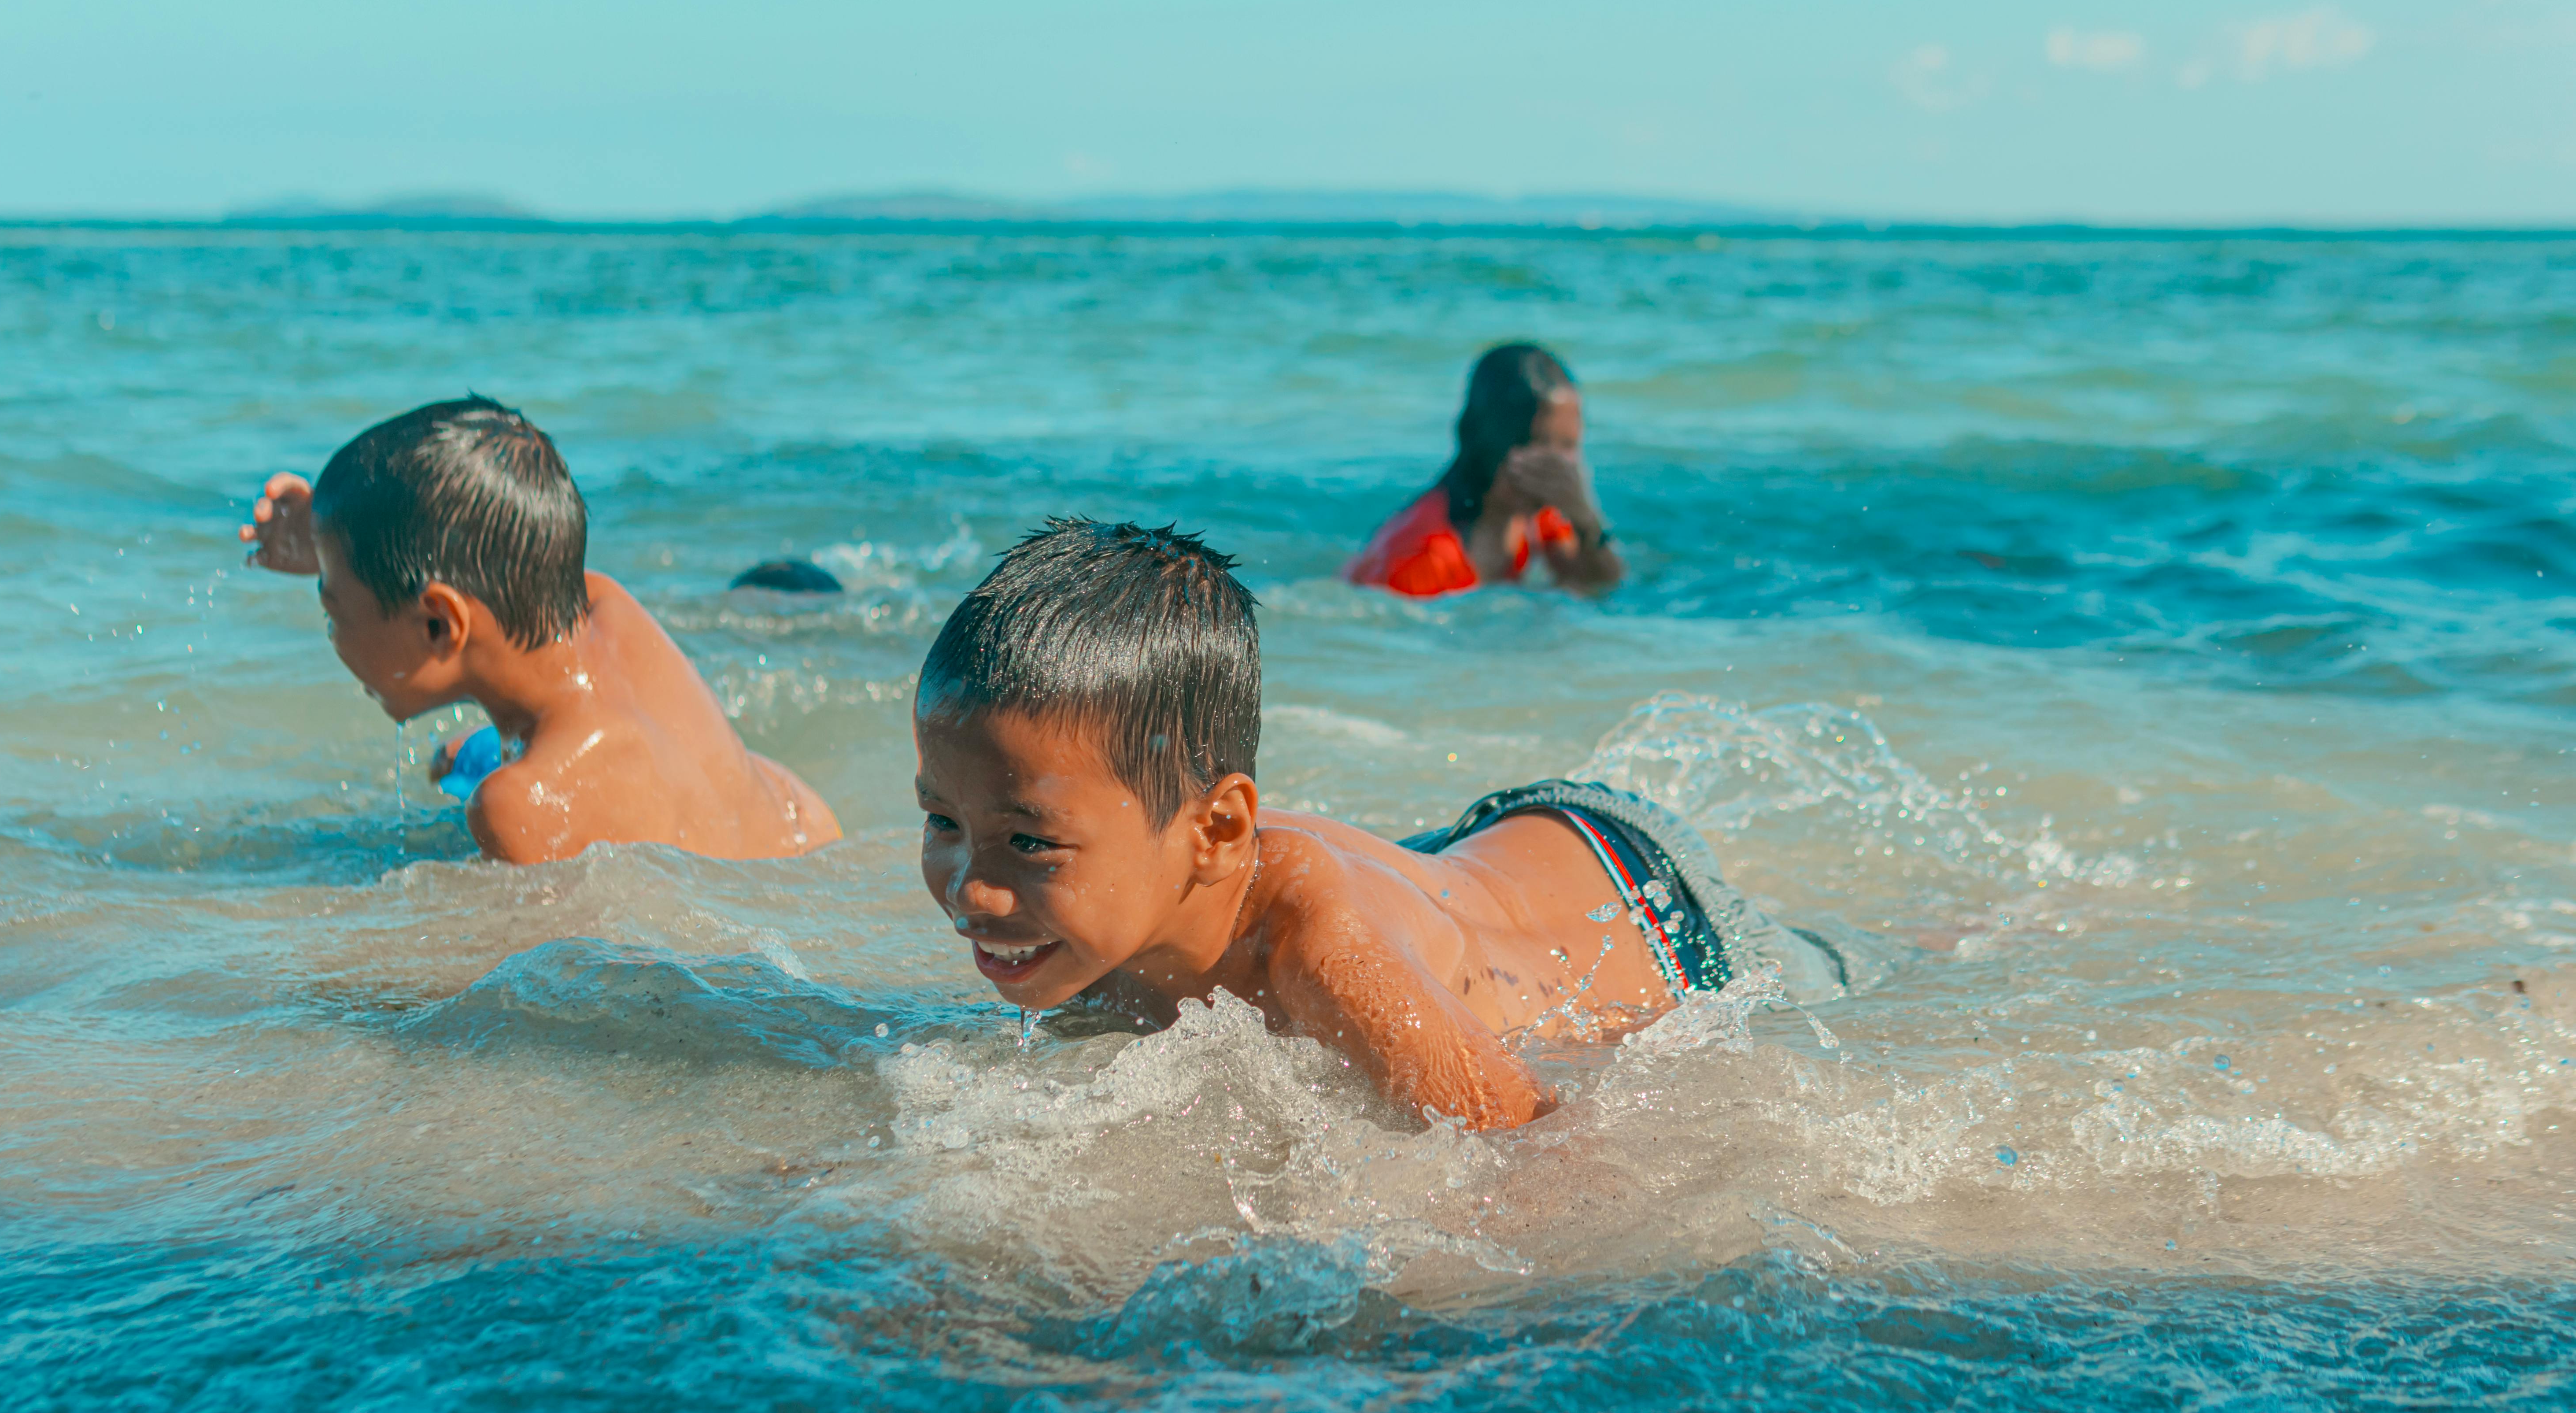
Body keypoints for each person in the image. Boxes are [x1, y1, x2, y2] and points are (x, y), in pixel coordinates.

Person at [914, 519, 1862, 1131]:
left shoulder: (1327, 958)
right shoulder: (1107, 900)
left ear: (1216, 830)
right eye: (943, 819)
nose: (971, 890)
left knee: (1855, 971)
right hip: (1442, 871)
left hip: (1647, 909)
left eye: (1028, 842)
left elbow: (1534, 1148)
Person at [239, 396, 841, 864]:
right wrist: (338, 539)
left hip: (753, 894)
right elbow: (493, 557)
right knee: (466, 754)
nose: (332, 632)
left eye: (334, 610)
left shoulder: (517, 806)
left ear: (439, 624)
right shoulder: (605, 603)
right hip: (803, 829)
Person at [1345, 342, 1623, 598]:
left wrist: (1586, 519)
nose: (1557, 469)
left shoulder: (1538, 519)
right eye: (1538, 446)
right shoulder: (1422, 558)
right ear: (1487, 443)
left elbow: (1601, 587)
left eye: (1568, 446)